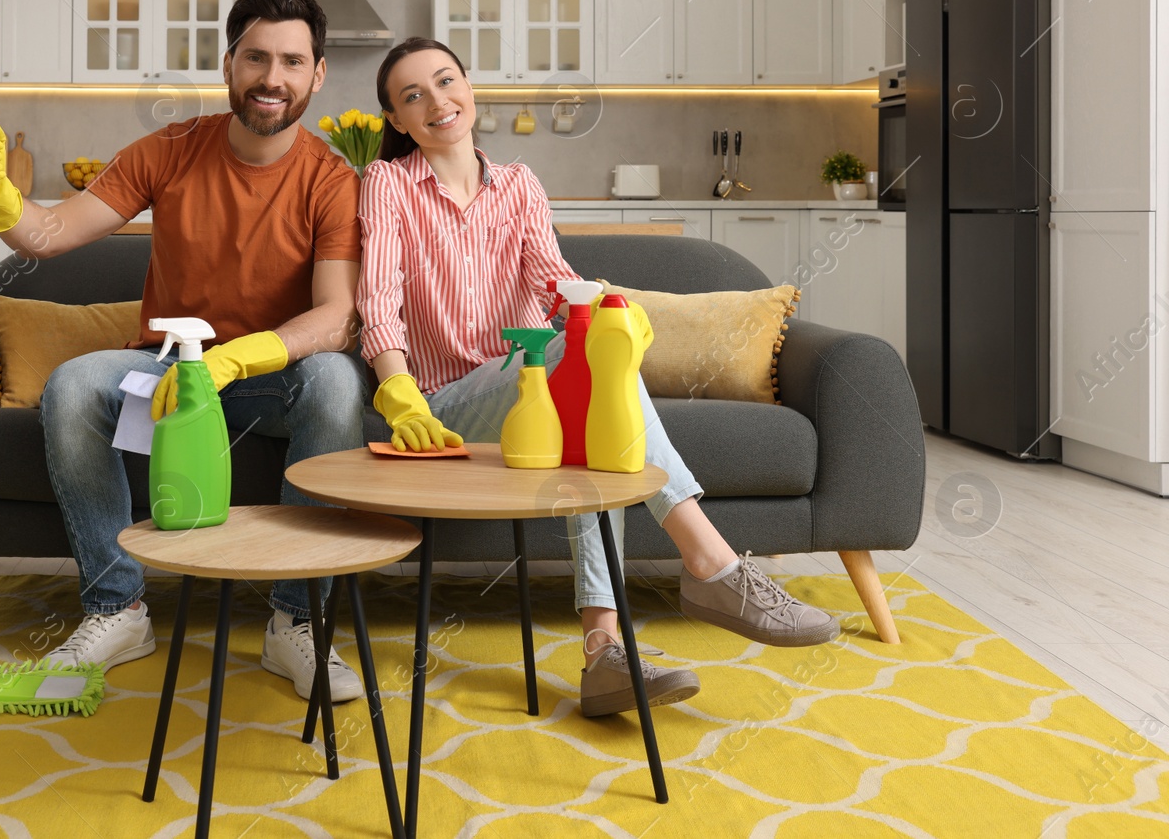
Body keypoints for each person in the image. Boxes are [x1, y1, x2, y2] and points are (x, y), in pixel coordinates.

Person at [357, 37, 840, 719]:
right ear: (397, 119)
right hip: (448, 406)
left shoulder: (519, 185)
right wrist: (398, 394)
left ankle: (604, 655)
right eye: (414, 95)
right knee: (585, 371)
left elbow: (554, 282)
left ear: (470, 85)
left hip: (540, 394)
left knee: (595, 392)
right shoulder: (387, 186)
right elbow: (376, 304)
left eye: (445, 81)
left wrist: (607, 312)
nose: (437, 101)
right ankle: (711, 564)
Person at [0, 0, 373, 702]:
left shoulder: (331, 178)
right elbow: (49, 236)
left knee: (336, 379)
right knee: (75, 383)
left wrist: (240, 355)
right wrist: (3, 201)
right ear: (228, 64)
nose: (273, 77)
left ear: (317, 74)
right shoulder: (171, 149)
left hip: (271, 380)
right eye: (257, 58)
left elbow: (337, 316)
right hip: (172, 380)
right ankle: (116, 608)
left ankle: (297, 623)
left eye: (292, 62)